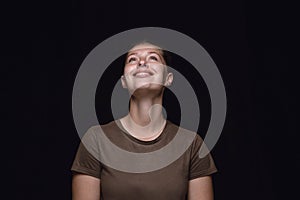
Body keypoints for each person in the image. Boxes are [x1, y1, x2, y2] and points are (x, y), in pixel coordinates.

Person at [71, 42, 217, 200]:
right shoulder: (96, 139)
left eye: (153, 58)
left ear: (168, 79)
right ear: (124, 81)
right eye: (132, 60)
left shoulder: (192, 144)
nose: (141, 62)